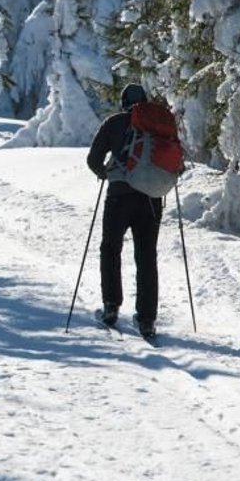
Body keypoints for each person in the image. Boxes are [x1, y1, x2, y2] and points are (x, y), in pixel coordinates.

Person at [86, 83, 163, 338]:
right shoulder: (158, 123)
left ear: (123, 102)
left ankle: (111, 306)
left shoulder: (114, 122)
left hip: (119, 196)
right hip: (151, 200)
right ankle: (147, 319)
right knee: (146, 256)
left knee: (110, 249)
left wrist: (105, 173)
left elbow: (93, 159)